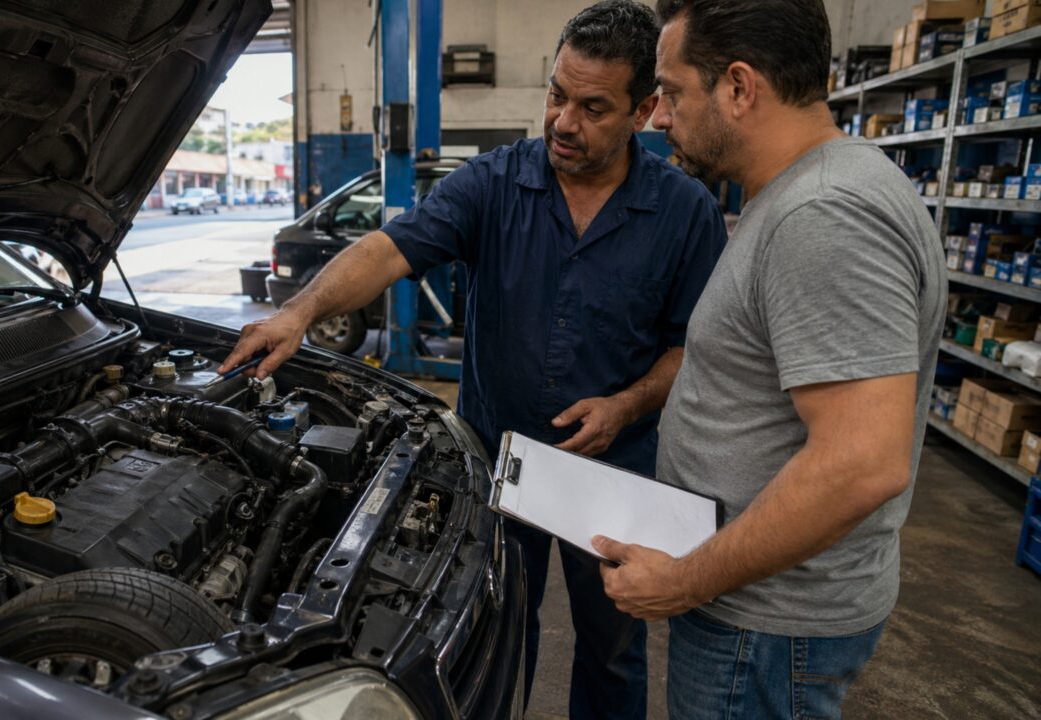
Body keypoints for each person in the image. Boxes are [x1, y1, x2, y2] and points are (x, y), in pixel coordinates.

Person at [220, 2, 726, 717]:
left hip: (611, 471)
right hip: (499, 458)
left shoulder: (685, 213)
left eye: (592, 107)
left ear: (644, 110)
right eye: (556, 95)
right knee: (490, 633)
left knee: (613, 648)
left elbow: (688, 347)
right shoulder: (496, 183)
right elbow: (388, 249)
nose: (563, 122)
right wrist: (300, 311)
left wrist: (628, 403)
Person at [589, 1, 946, 718]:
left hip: (764, 627)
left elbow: (861, 462)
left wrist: (689, 579)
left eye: (675, 92)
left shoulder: (823, 216)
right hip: (761, 614)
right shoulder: (809, 192)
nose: (659, 118)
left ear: (740, 87)